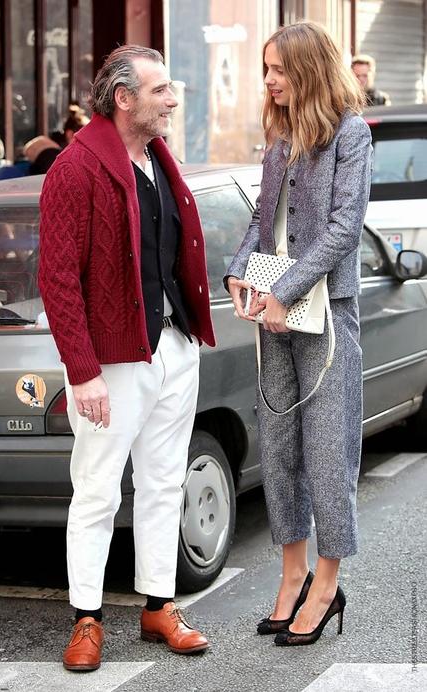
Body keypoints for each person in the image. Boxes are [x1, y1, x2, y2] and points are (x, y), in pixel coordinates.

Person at [38, 45, 215, 671]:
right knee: (96, 491)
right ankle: (86, 618)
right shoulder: (76, 168)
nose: (171, 99)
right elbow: (57, 278)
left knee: (166, 484)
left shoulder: (159, 159)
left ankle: (158, 606)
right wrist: (82, 371)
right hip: (111, 360)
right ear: (124, 99)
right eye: (160, 89)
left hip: (172, 345)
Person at [225, 21, 372, 647]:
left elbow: (343, 230)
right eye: (265, 69)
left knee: (327, 454)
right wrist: (239, 274)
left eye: (277, 69)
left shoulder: (350, 134)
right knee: (280, 451)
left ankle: (327, 584)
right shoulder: (279, 133)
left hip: (324, 314)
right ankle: (291, 577)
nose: (268, 80)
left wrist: (284, 291)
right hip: (274, 313)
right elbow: (265, 219)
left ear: (308, 69)